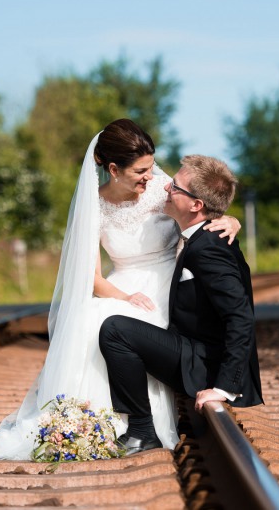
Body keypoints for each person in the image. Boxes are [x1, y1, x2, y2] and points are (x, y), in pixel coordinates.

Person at [0, 120, 240, 459]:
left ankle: (134, 426)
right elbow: (91, 278)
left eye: (151, 166)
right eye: (141, 169)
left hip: (167, 286)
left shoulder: (162, 188)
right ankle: (74, 423)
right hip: (121, 286)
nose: (151, 175)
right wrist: (124, 297)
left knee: (115, 326)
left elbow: (203, 208)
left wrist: (231, 220)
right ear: (113, 169)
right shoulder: (93, 206)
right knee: (90, 318)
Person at [98, 155, 263, 455]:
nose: (165, 188)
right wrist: (231, 218)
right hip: (192, 348)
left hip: (202, 363)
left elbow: (240, 317)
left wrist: (223, 387)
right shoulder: (202, 236)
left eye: (174, 187)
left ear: (196, 205)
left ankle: (142, 431)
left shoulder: (208, 248)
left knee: (114, 329)